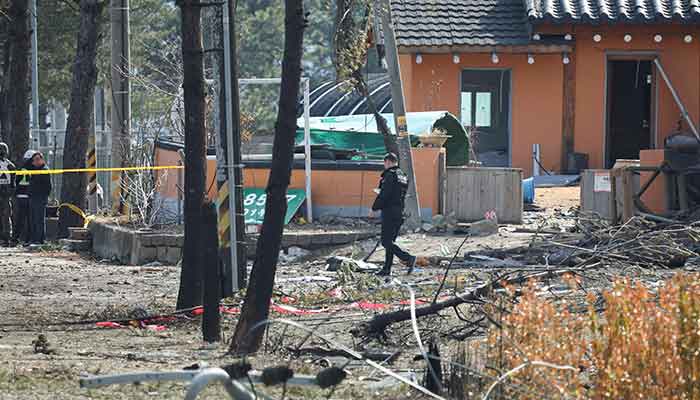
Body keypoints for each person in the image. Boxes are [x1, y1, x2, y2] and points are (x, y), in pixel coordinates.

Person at [371, 152, 416, 276]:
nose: (384, 166)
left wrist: (374, 207)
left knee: (386, 242)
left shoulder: (390, 175)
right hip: (399, 211)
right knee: (390, 242)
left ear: (388, 162)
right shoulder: (403, 175)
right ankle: (386, 269)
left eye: (384, 163)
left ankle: (408, 258)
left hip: (389, 211)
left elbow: (384, 194)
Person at [28, 151, 51, 245]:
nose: (36, 162)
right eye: (34, 160)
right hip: (33, 197)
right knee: (33, 219)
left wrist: (44, 197)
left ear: (42, 160)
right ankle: (34, 239)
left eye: (38, 159)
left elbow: (48, 187)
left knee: (39, 220)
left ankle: (40, 240)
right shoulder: (34, 169)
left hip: (40, 198)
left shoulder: (44, 170)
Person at [12, 150, 34, 245]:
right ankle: (28, 239)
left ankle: (15, 238)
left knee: (20, 219)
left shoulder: (21, 169)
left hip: (21, 196)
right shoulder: (35, 169)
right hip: (29, 197)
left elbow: (16, 182)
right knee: (30, 219)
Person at [0, 143, 15, 246]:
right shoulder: (10, 165)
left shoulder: (10, 166)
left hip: (5, 195)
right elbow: (13, 184)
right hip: (6, 195)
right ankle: (6, 238)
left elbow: (13, 183)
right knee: (6, 217)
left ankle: (5, 238)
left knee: (5, 217)